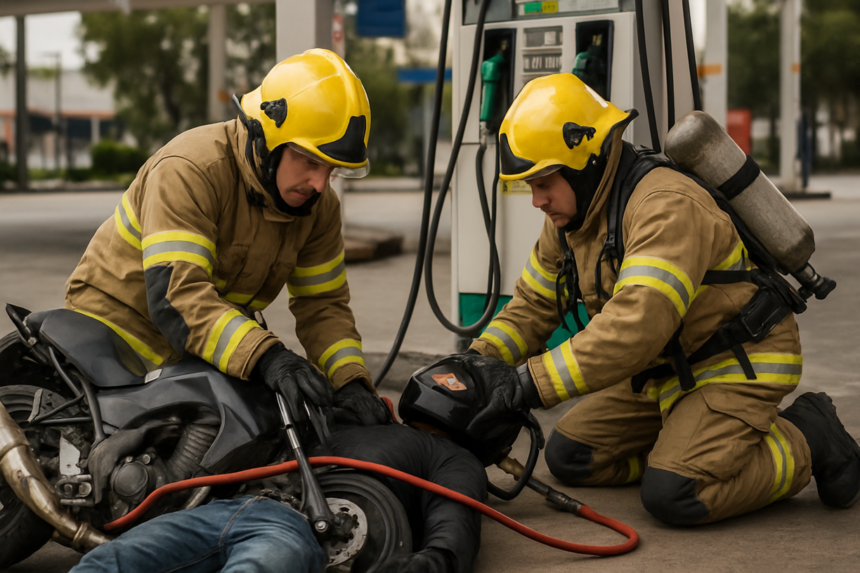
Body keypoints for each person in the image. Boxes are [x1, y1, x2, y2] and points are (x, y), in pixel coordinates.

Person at [454, 73, 860, 525]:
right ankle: (689, 444)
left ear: (586, 163)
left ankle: (809, 436)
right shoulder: (574, 219)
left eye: (544, 182)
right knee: (572, 456)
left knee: (676, 494)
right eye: (530, 185)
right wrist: (475, 365)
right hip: (666, 372)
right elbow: (533, 305)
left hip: (735, 362)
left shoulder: (665, 204)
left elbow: (636, 327)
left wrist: (525, 386)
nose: (538, 201)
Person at [64, 49, 389, 427]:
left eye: (331, 169)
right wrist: (268, 357)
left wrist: (350, 382)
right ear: (266, 139)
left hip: (199, 343)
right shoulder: (189, 170)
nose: (320, 184)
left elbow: (323, 305)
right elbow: (177, 295)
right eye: (310, 161)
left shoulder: (319, 207)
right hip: (116, 337)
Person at [69, 422, 487, 573]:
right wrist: (149, 427)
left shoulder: (450, 456)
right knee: (105, 563)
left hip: (292, 523)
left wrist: (438, 561)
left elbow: (456, 514)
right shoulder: (333, 410)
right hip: (220, 506)